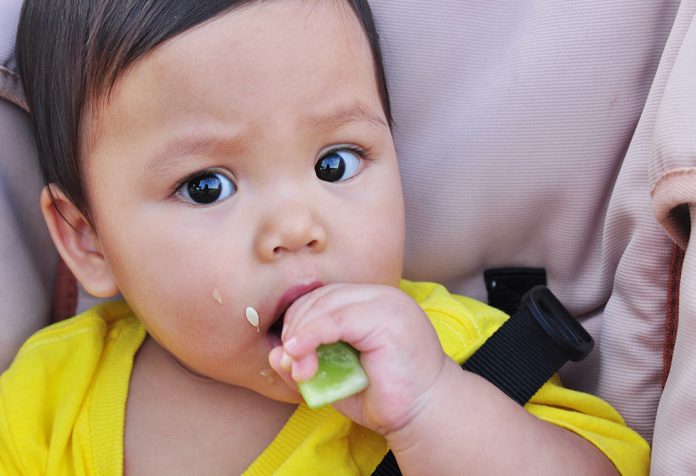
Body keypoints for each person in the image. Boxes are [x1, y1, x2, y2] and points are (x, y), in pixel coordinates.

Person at [0, 0, 650, 474]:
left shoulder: (453, 359)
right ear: (89, 240)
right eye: (206, 187)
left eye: (334, 163)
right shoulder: (51, 395)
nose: (296, 228)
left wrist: (430, 409)